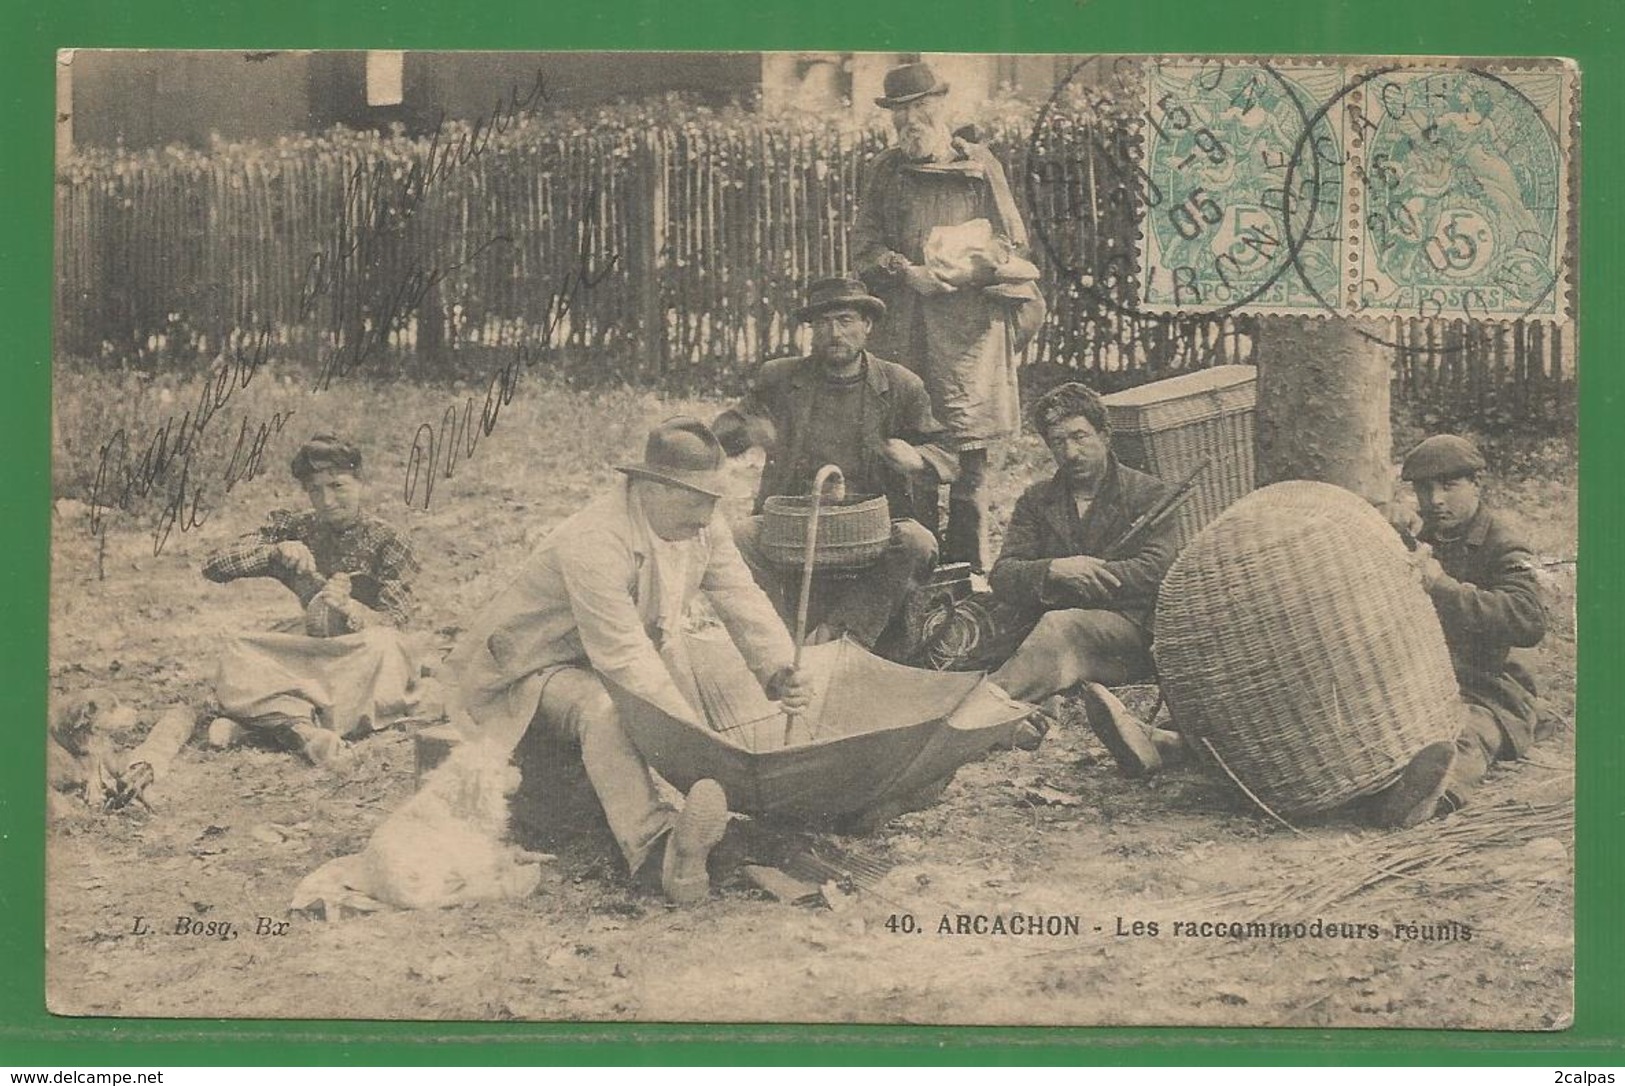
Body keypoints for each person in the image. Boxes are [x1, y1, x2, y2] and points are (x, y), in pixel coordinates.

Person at [1083, 433, 1550, 829]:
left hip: (1486, 686)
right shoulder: (1421, 533)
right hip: (1406, 671)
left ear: (1478, 484)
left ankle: (1425, 799)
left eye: (1448, 487)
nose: (1436, 501)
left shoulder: (1503, 543)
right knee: (1300, 709)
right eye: (1425, 490)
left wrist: (1443, 588)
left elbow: (1527, 619)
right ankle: (1164, 741)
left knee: (1463, 739)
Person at [446, 418, 815, 906]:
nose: (707, 517)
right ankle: (657, 851)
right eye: (696, 501)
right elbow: (625, 661)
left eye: (713, 501)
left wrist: (778, 668)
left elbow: (738, 594)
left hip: (603, 655)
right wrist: (695, 744)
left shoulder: (700, 525)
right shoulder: (594, 541)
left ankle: (699, 818)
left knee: (693, 672)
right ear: (652, 488)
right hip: (528, 669)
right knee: (606, 711)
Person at [851, 61, 1040, 572]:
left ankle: (969, 580)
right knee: (910, 456)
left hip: (970, 334)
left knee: (969, 458)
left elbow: (1012, 238)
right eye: (901, 113)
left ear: (940, 107)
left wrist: (969, 258)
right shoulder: (886, 171)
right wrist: (904, 270)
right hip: (905, 330)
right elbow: (863, 247)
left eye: (920, 108)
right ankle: (917, 575)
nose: (911, 121)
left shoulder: (979, 164)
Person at [713, 276, 958, 654]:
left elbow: (950, 453)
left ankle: (839, 636)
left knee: (918, 542)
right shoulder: (781, 378)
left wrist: (920, 458)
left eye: (845, 320)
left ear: (867, 326)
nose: (835, 332)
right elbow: (722, 433)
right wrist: (748, 431)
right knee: (741, 537)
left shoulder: (900, 385)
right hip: (795, 523)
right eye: (824, 323)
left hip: (875, 524)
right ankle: (778, 640)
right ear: (812, 330)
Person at [202, 434, 424, 766]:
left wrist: (352, 609)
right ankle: (303, 729)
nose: (327, 500)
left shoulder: (389, 538)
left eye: (337, 486)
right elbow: (214, 565)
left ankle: (272, 725)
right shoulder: (298, 528)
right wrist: (273, 551)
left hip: (362, 651)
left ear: (360, 482)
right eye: (315, 490)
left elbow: (397, 619)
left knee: (386, 648)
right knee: (237, 649)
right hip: (313, 647)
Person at [980, 383, 1179, 711]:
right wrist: (1056, 570)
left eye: (1080, 436)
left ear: (1105, 436)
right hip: (1049, 628)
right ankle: (1023, 715)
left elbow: (1158, 568)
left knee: (1062, 627)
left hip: (1127, 637)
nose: (1070, 453)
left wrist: (1089, 575)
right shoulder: (1037, 500)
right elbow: (1003, 574)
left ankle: (983, 712)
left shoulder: (1148, 494)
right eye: (1058, 442)